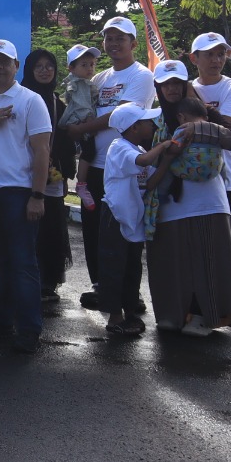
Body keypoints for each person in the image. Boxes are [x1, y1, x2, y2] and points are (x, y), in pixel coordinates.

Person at [65, 17, 155, 310]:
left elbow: (121, 116)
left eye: (120, 38)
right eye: (109, 38)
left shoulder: (142, 75)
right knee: (94, 229)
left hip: (126, 169)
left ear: (133, 43)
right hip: (95, 166)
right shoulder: (100, 78)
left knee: (125, 230)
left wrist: (81, 129)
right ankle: (101, 286)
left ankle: (130, 294)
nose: (114, 44)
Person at [0, 38, 53, 354]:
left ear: (16, 66)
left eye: (5, 62)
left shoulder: (31, 100)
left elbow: (42, 150)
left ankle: (29, 328)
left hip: (18, 194)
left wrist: (38, 195)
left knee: (23, 263)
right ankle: (1, 321)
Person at [144, 67, 231, 335]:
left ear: (186, 85)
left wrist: (200, 127)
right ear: (158, 88)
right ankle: (173, 314)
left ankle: (207, 317)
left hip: (208, 201)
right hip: (169, 203)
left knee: (209, 260)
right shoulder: (153, 119)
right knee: (172, 261)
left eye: (177, 83)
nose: (171, 89)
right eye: (165, 84)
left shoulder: (206, 115)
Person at [97, 104, 160, 337]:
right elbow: (143, 161)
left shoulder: (137, 148)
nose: (152, 125)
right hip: (116, 214)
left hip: (133, 217)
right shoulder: (119, 147)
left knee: (133, 267)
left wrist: (167, 160)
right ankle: (115, 318)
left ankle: (130, 312)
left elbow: (150, 183)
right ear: (134, 127)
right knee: (114, 265)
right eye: (147, 122)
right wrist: (164, 146)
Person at [21, 48, 74, 302]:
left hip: (51, 176)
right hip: (21, 173)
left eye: (49, 66)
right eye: (39, 66)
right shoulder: (21, 97)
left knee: (51, 227)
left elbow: (66, 140)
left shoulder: (57, 102)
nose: (45, 71)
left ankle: (48, 281)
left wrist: (62, 169)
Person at [61, 44, 102, 210]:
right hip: (81, 122)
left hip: (82, 122)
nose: (89, 68)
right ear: (71, 68)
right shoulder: (79, 84)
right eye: (84, 65)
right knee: (89, 151)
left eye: (92, 64)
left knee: (88, 151)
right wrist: (89, 122)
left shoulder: (84, 82)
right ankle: (81, 184)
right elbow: (82, 106)